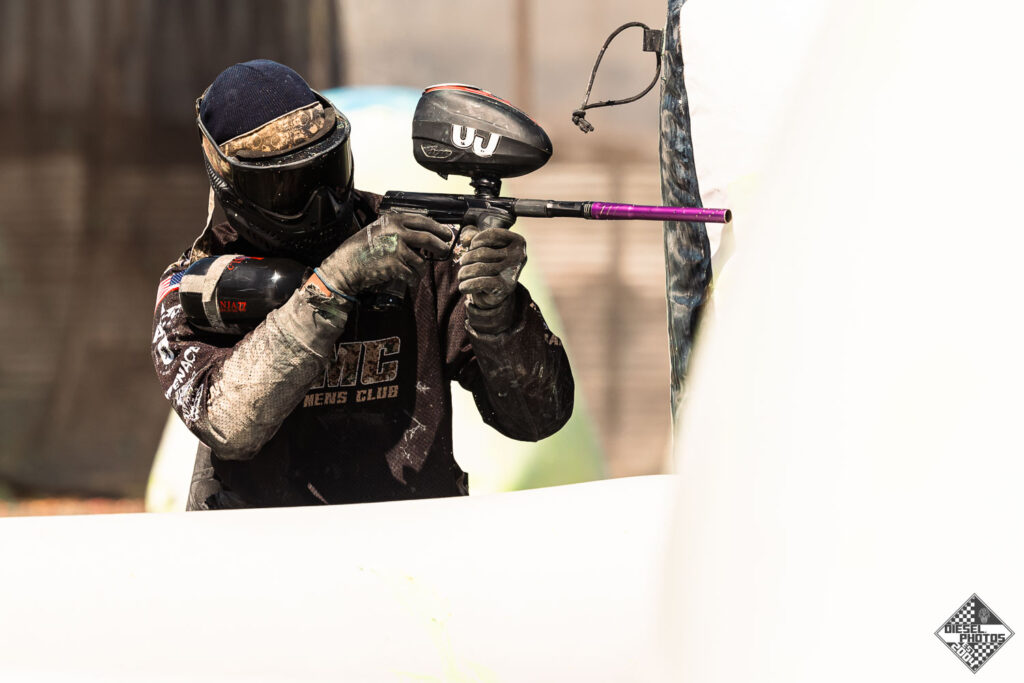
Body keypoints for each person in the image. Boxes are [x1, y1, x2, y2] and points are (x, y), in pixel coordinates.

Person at [150, 60, 574, 510]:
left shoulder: (414, 247)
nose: (322, 204)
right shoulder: (196, 287)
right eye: (288, 187)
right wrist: (331, 285)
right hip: (262, 547)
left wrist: (499, 318)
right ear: (232, 187)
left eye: (328, 171)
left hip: (411, 542)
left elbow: (538, 418)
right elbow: (228, 425)